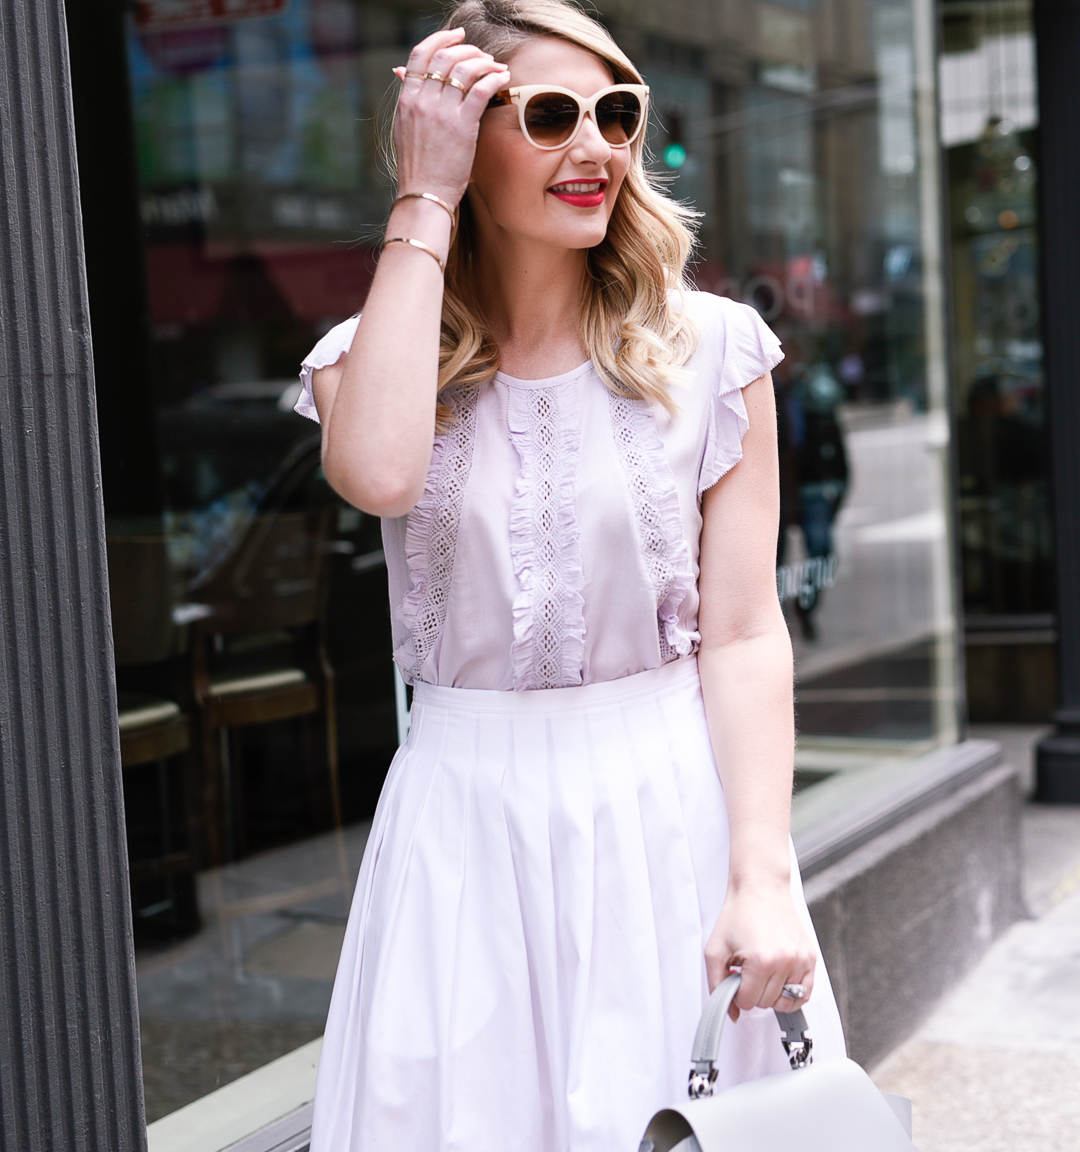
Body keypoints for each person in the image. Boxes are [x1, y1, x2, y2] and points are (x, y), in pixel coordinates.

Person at [294, 2, 846, 1147]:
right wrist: (425, 196)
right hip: (461, 833)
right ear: (466, 134)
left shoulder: (712, 351)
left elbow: (743, 635)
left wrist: (764, 873)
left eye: (617, 115)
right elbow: (383, 473)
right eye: (550, 116)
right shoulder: (370, 359)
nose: (595, 147)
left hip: (664, 819)